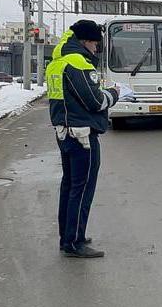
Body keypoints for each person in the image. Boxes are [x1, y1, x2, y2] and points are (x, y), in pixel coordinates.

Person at [47, 20, 120, 258]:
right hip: (82, 136)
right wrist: (116, 93)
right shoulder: (78, 63)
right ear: (86, 41)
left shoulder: (57, 63)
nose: (97, 49)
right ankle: (74, 242)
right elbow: (95, 101)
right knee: (82, 188)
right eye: (96, 44)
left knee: (69, 185)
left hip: (64, 132)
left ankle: (67, 235)